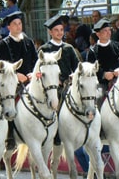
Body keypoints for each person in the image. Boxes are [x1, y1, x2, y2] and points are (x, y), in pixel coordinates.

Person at [0, 11, 38, 150]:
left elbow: (36, 61)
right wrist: (16, 75)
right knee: (9, 102)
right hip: (11, 83)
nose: (18, 27)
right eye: (15, 24)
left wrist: (32, 73)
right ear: (9, 27)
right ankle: (10, 135)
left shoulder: (29, 42)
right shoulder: (2, 44)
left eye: (20, 24)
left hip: (30, 81)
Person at [39, 14, 80, 145]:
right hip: (51, 87)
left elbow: (77, 67)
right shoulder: (44, 49)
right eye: (56, 30)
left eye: (61, 30)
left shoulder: (68, 48)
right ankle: (55, 134)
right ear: (50, 32)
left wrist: (74, 75)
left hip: (69, 85)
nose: (59, 33)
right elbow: (39, 70)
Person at [93, 18, 119, 109]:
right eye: (105, 31)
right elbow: (91, 69)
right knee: (99, 97)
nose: (108, 32)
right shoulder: (93, 51)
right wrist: (103, 74)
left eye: (109, 30)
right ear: (98, 34)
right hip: (102, 83)